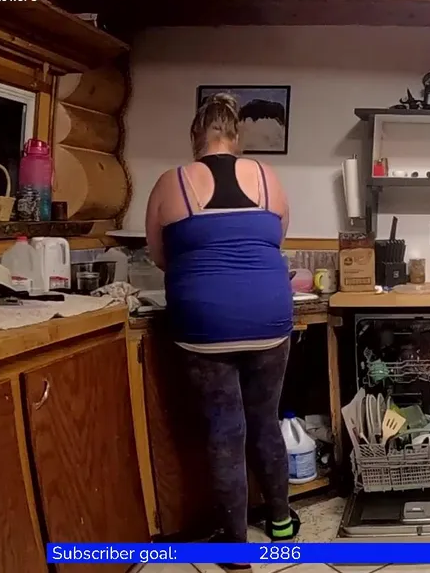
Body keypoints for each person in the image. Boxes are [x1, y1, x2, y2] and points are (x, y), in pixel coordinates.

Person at [144, 94, 299, 564]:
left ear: (196, 137)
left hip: (204, 323)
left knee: (225, 430)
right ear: (236, 137)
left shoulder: (171, 182)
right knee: (265, 419)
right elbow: (274, 239)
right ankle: (281, 523)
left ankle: (235, 548)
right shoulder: (267, 177)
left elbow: (160, 256)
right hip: (268, 317)